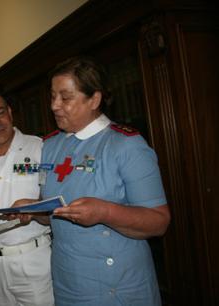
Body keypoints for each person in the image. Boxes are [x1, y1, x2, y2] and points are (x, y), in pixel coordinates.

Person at [34, 56, 170, 306]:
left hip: (116, 284)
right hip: (68, 281)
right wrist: (32, 210)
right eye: (52, 96)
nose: (54, 105)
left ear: (94, 100)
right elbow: (53, 212)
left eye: (65, 97)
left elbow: (159, 221)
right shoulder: (49, 146)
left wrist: (104, 212)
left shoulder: (126, 145)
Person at [0, 86, 54, 306]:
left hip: (35, 263)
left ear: (10, 112)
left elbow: (60, 210)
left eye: (0, 112)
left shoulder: (41, 149)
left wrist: (35, 210)